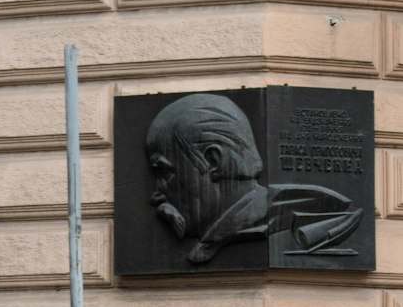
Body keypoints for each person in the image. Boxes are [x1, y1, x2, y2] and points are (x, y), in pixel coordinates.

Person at [145, 93, 362, 265]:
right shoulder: (213, 234)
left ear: (213, 161)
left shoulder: (311, 217)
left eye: (165, 173)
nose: (156, 194)